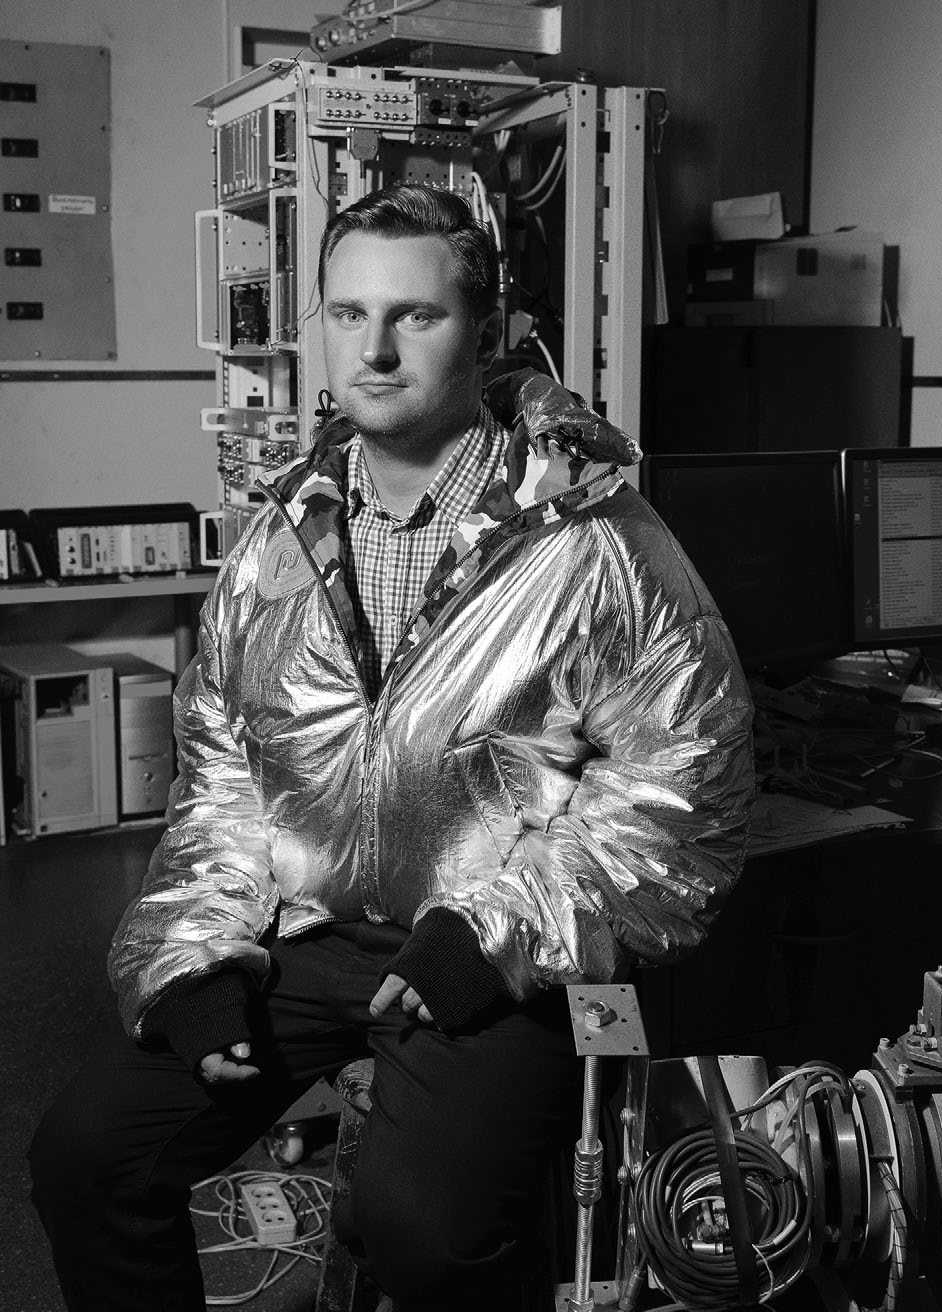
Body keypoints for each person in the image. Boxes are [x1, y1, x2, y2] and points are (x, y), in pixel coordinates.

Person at [30, 183, 755, 1312]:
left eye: (414, 315)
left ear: (486, 329)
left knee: (423, 1235)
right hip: (304, 930)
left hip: (493, 945)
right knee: (86, 1156)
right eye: (347, 312)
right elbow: (222, 777)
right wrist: (197, 957)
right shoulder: (280, 536)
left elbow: (684, 798)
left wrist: (488, 937)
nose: (372, 350)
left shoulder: (596, 544)